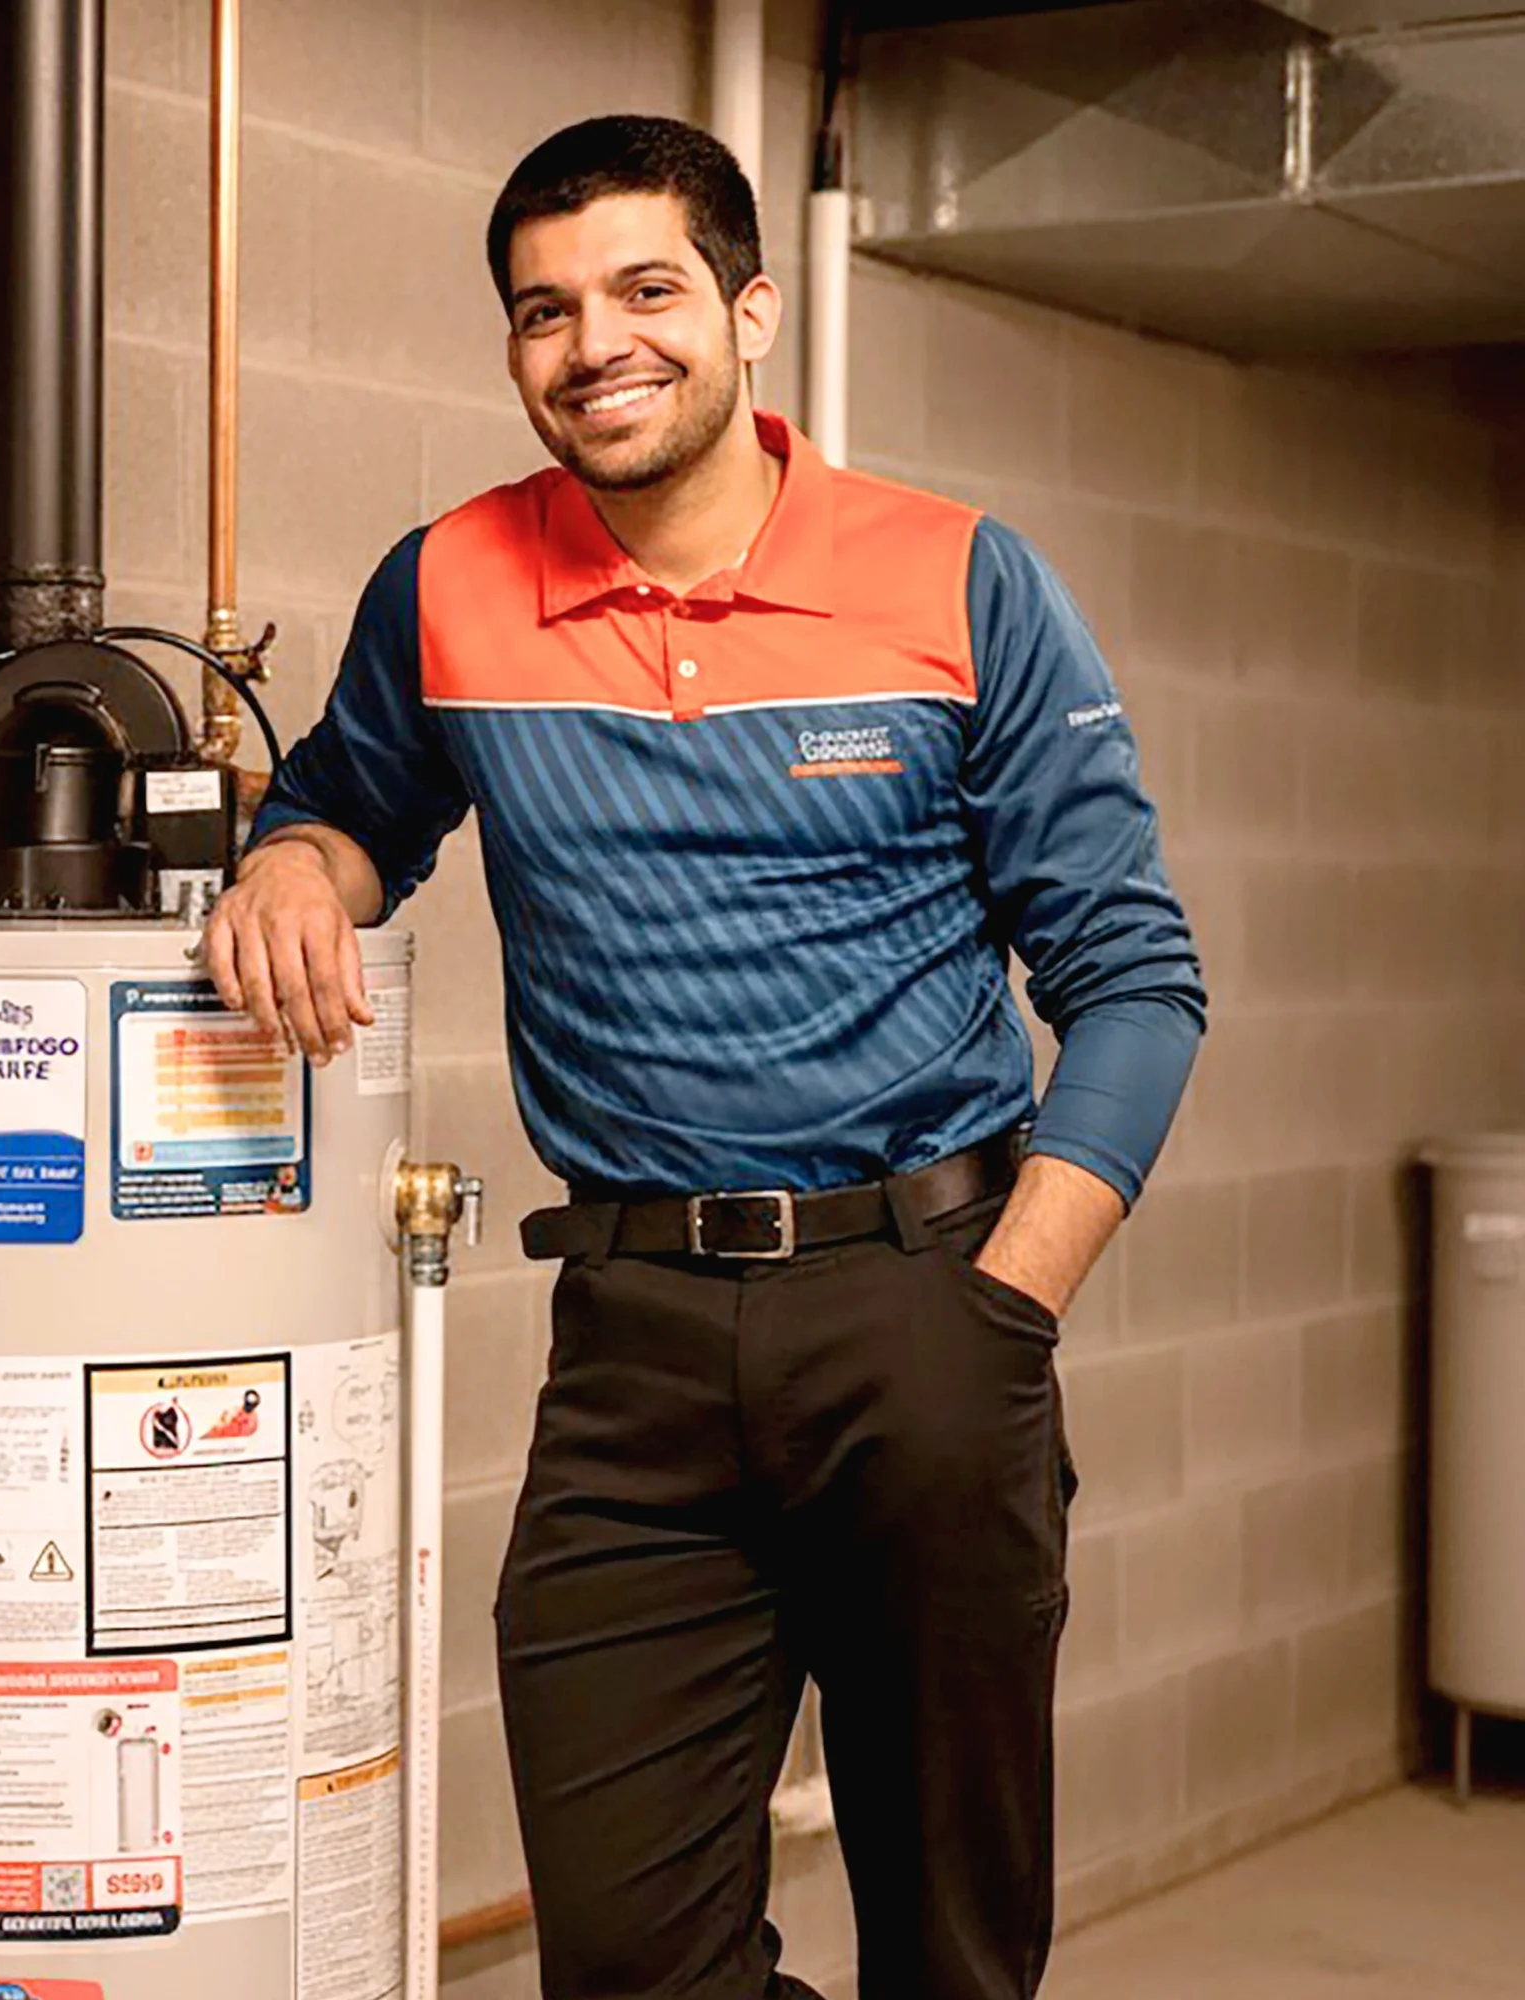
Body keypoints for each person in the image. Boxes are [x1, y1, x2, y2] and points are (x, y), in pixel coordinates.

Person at [205, 114, 1205, 2000]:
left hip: (927, 1310)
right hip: (637, 1351)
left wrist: (1005, 1310)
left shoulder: (958, 580)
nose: (597, 345)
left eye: (646, 290)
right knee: (627, 1958)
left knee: (952, 1955)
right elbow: (357, 809)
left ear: (749, 312)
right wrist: (288, 865)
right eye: (544, 310)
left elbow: (1137, 982)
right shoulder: (446, 587)